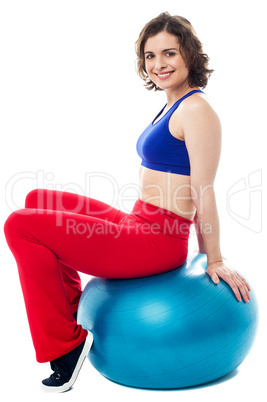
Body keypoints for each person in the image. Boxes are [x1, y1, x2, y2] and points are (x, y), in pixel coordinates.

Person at [4, 12, 251, 393]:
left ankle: (65, 350)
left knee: (20, 224)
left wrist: (212, 258)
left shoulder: (197, 110)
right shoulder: (172, 105)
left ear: (189, 55)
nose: (159, 64)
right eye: (150, 56)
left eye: (169, 53)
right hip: (139, 221)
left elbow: (203, 189)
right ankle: (69, 310)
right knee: (38, 199)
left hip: (158, 240)